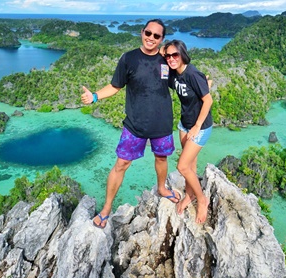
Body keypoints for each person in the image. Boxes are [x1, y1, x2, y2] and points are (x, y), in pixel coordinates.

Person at [81, 19, 181, 229]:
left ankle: (162, 188)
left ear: (162, 40)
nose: (151, 38)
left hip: (162, 123)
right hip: (134, 124)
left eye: (156, 36)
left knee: (161, 158)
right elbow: (115, 86)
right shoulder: (129, 59)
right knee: (121, 164)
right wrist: (95, 96)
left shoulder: (166, 59)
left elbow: (183, 74)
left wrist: (201, 85)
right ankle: (107, 207)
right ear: (141, 32)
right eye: (148, 33)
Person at [163, 39, 213, 224]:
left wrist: (197, 125)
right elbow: (160, 62)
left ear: (183, 54)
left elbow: (208, 101)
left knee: (182, 166)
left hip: (199, 127)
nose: (171, 58)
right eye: (168, 55)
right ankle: (189, 195)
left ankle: (202, 200)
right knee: (190, 164)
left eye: (175, 54)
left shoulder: (192, 73)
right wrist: (163, 52)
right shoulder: (174, 75)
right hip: (184, 125)